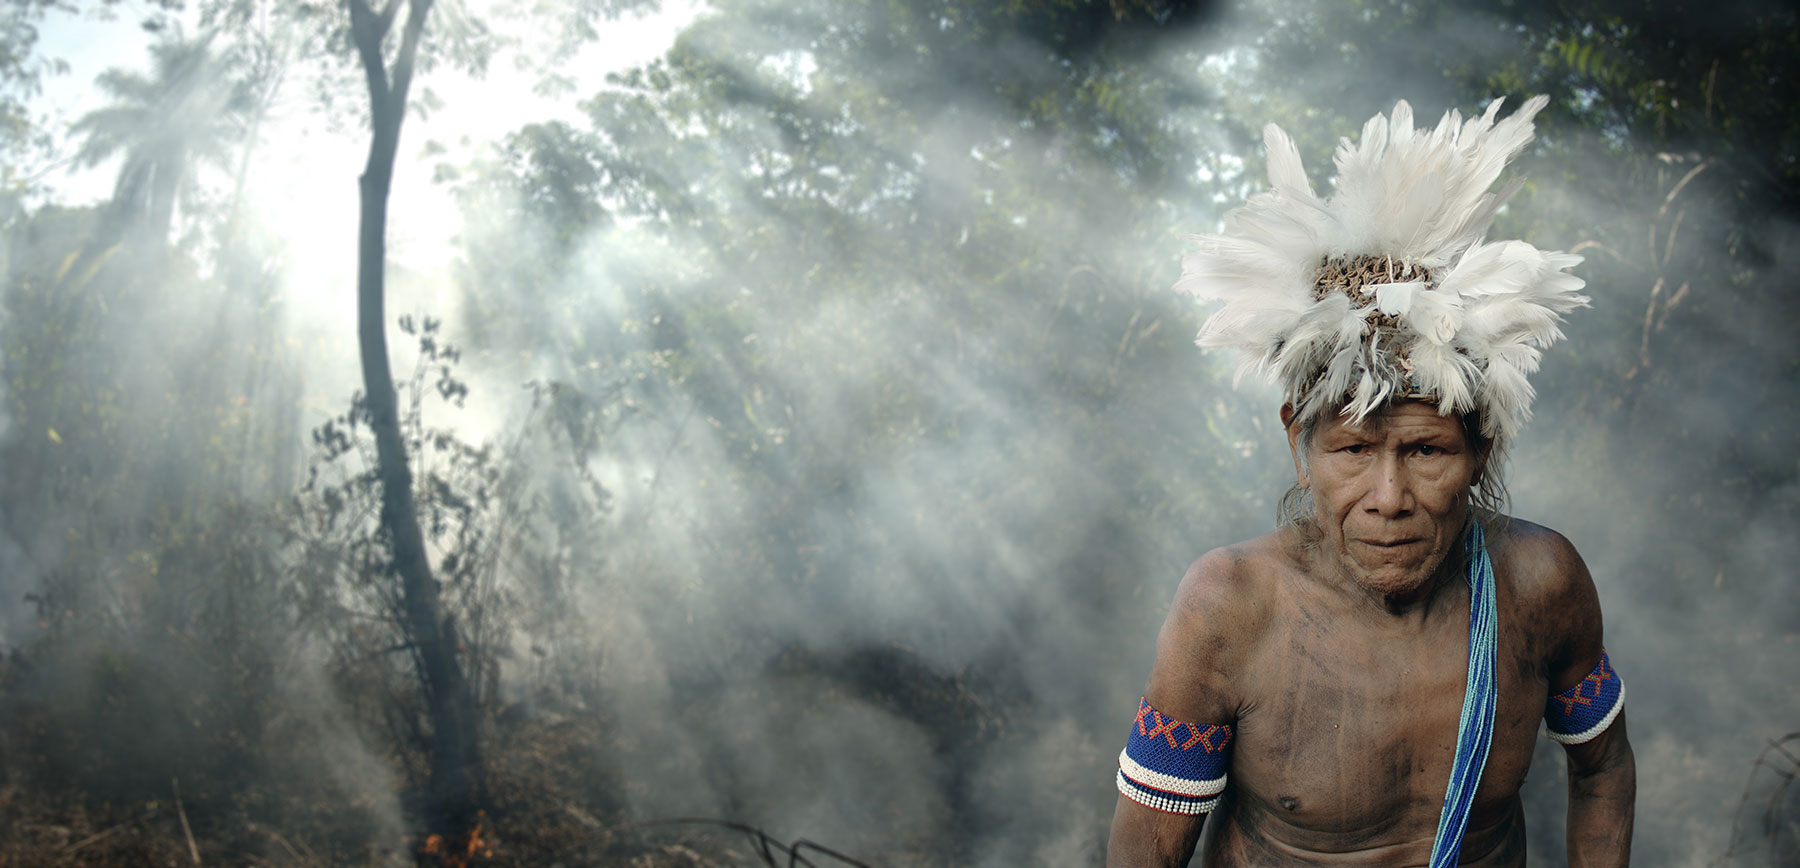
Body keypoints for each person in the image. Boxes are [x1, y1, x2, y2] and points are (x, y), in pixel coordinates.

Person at [1107, 97, 1635, 867]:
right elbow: (1144, 857)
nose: (1389, 498)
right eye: (1354, 451)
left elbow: (1604, 766)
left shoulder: (1540, 584)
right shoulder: (1230, 607)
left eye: (1426, 452)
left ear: (1480, 451)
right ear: (1300, 442)